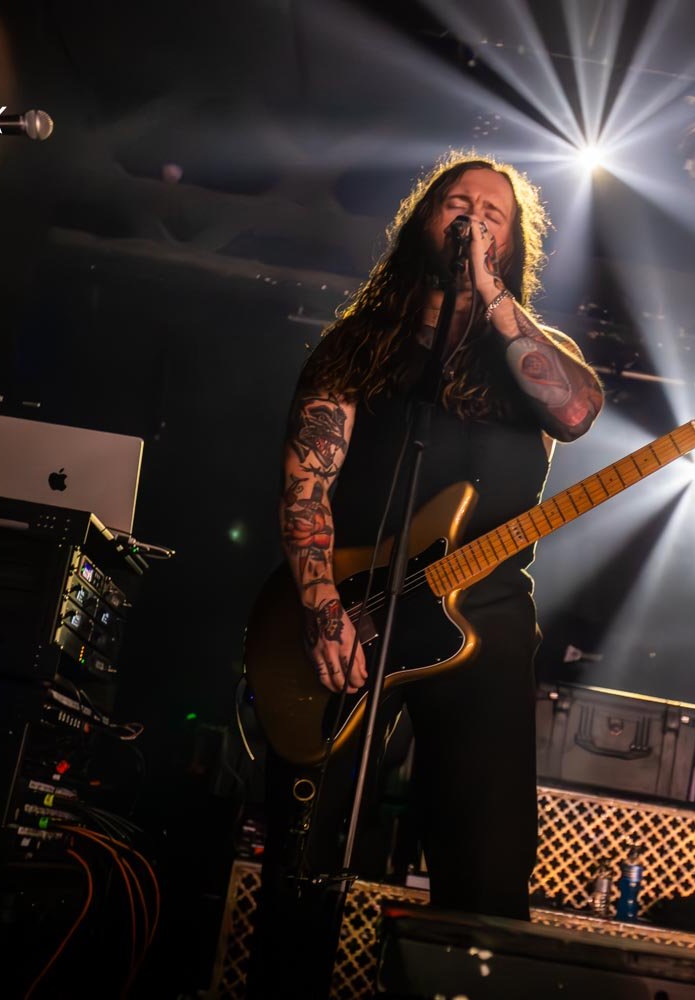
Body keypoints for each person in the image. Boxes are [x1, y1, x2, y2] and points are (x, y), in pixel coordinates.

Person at [246, 153, 604, 997]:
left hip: (488, 622)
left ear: (512, 244)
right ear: (424, 220)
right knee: (308, 853)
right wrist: (321, 607)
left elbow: (575, 413)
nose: (473, 217)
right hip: (355, 615)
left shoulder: (531, 351)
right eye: (456, 202)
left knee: (486, 864)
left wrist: (493, 298)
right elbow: (306, 487)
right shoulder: (358, 345)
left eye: (494, 212)